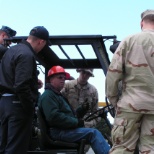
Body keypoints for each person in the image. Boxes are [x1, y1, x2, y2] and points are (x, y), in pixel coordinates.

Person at [105, 9, 154, 154]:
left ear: (141, 23)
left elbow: (113, 74)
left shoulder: (129, 40)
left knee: (122, 148)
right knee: (151, 148)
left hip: (130, 105)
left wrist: (114, 100)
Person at [0, 26, 51, 154]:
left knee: (3, 146)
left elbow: (11, 77)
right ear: (41, 42)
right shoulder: (27, 55)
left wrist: (33, 82)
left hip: (4, 103)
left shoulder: (11, 51)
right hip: (18, 105)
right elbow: (21, 86)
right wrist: (30, 108)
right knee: (15, 148)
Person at [38, 65, 110, 154]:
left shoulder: (57, 95)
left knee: (91, 132)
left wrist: (82, 109)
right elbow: (54, 117)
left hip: (65, 128)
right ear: (51, 79)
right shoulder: (49, 96)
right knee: (93, 133)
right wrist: (76, 122)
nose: (63, 80)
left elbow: (68, 114)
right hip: (59, 131)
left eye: (64, 78)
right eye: (60, 77)